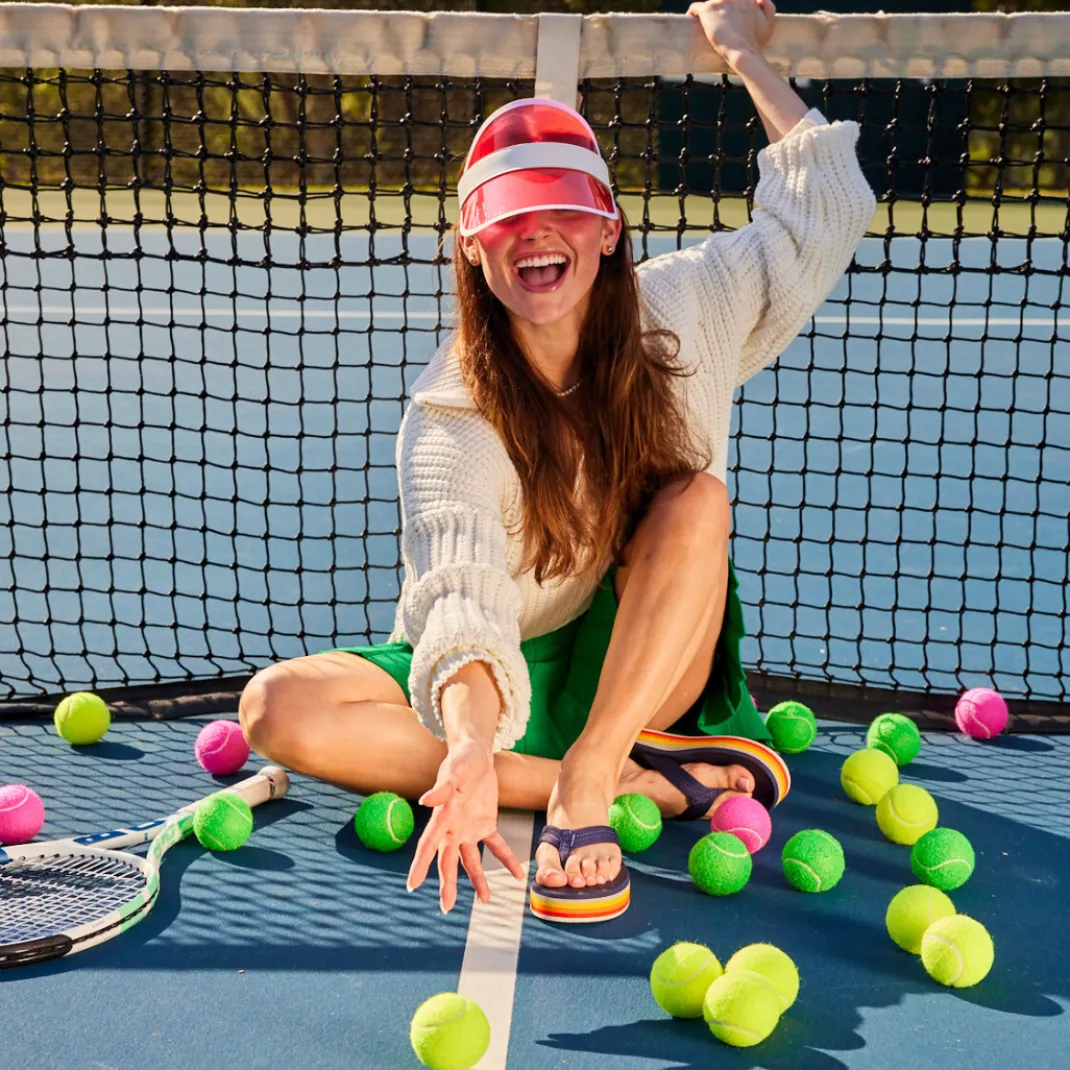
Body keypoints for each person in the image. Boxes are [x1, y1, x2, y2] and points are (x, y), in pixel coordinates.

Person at [239, 0, 876, 923]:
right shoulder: (449, 415)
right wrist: (465, 747)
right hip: (499, 666)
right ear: (473, 245)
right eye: (508, 219)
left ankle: (588, 778)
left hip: (647, 659)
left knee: (696, 500)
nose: (536, 235)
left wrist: (740, 53)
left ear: (608, 229)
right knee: (275, 710)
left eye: (562, 212)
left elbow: (826, 210)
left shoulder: (689, 305)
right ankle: (645, 786)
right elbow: (458, 600)